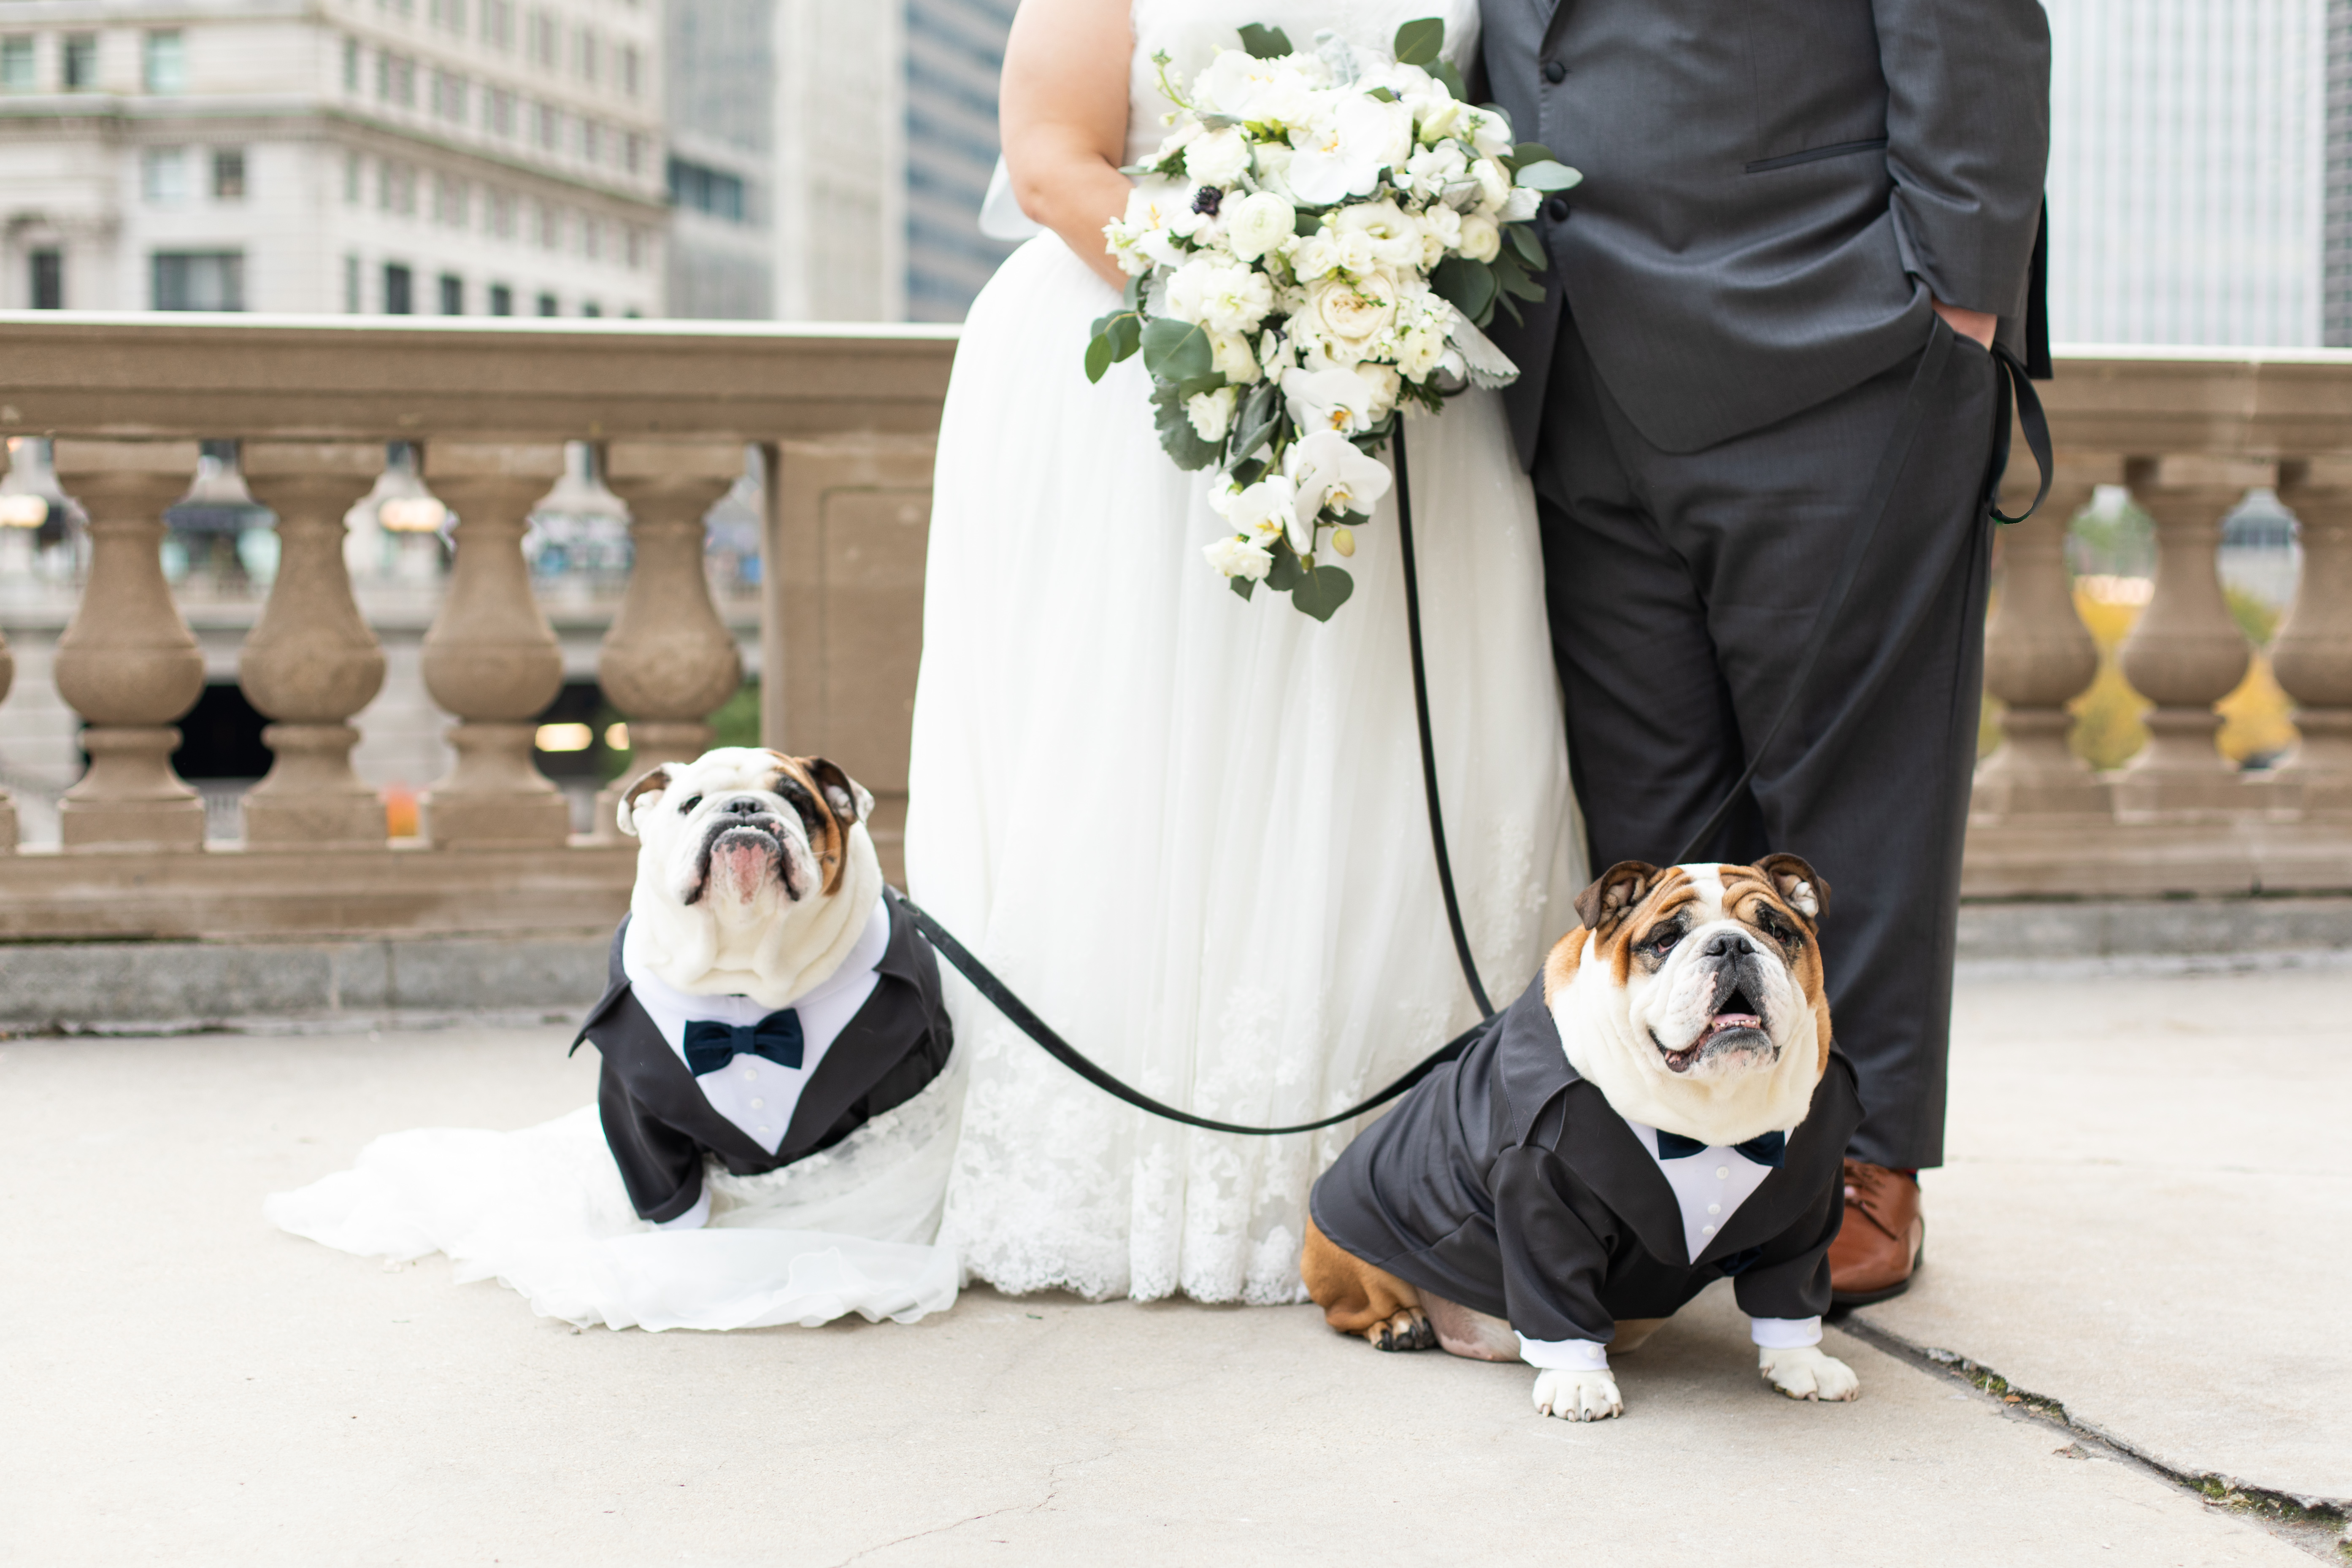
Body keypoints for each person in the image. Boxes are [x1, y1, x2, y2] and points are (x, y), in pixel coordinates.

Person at [903, 0, 1584, 1304]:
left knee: (1379, 751)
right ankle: (1142, 1167)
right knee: (1143, 754)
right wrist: (1256, 302)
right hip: (1154, 377)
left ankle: (1423, 1173)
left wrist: (1370, 286)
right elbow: (1051, 158)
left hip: (1395, 377)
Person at [1476, 0, 2052, 1301]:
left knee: (1864, 787)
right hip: (1573, 364)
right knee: (1652, 801)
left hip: (1832, 336)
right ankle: (1685, 1152)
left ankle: (1862, 1154)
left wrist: (1958, 303)